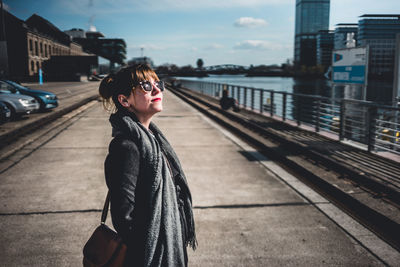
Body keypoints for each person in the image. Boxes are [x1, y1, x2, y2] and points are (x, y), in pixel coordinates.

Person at [98, 64, 197, 266]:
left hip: (168, 245)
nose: (157, 89)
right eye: (145, 85)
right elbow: (124, 217)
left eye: (157, 83)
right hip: (151, 257)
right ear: (124, 100)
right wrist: (150, 249)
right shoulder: (126, 146)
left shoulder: (154, 139)